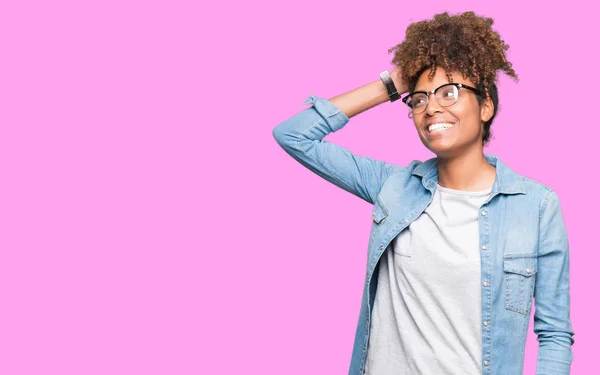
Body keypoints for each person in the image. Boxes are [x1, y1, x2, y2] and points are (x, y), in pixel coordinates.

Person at [271, 11, 574, 375]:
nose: (431, 107)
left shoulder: (536, 206)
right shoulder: (393, 185)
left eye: (450, 92)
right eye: (418, 98)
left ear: (486, 107)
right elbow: (294, 134)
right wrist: (396, 80)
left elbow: (555, 333)